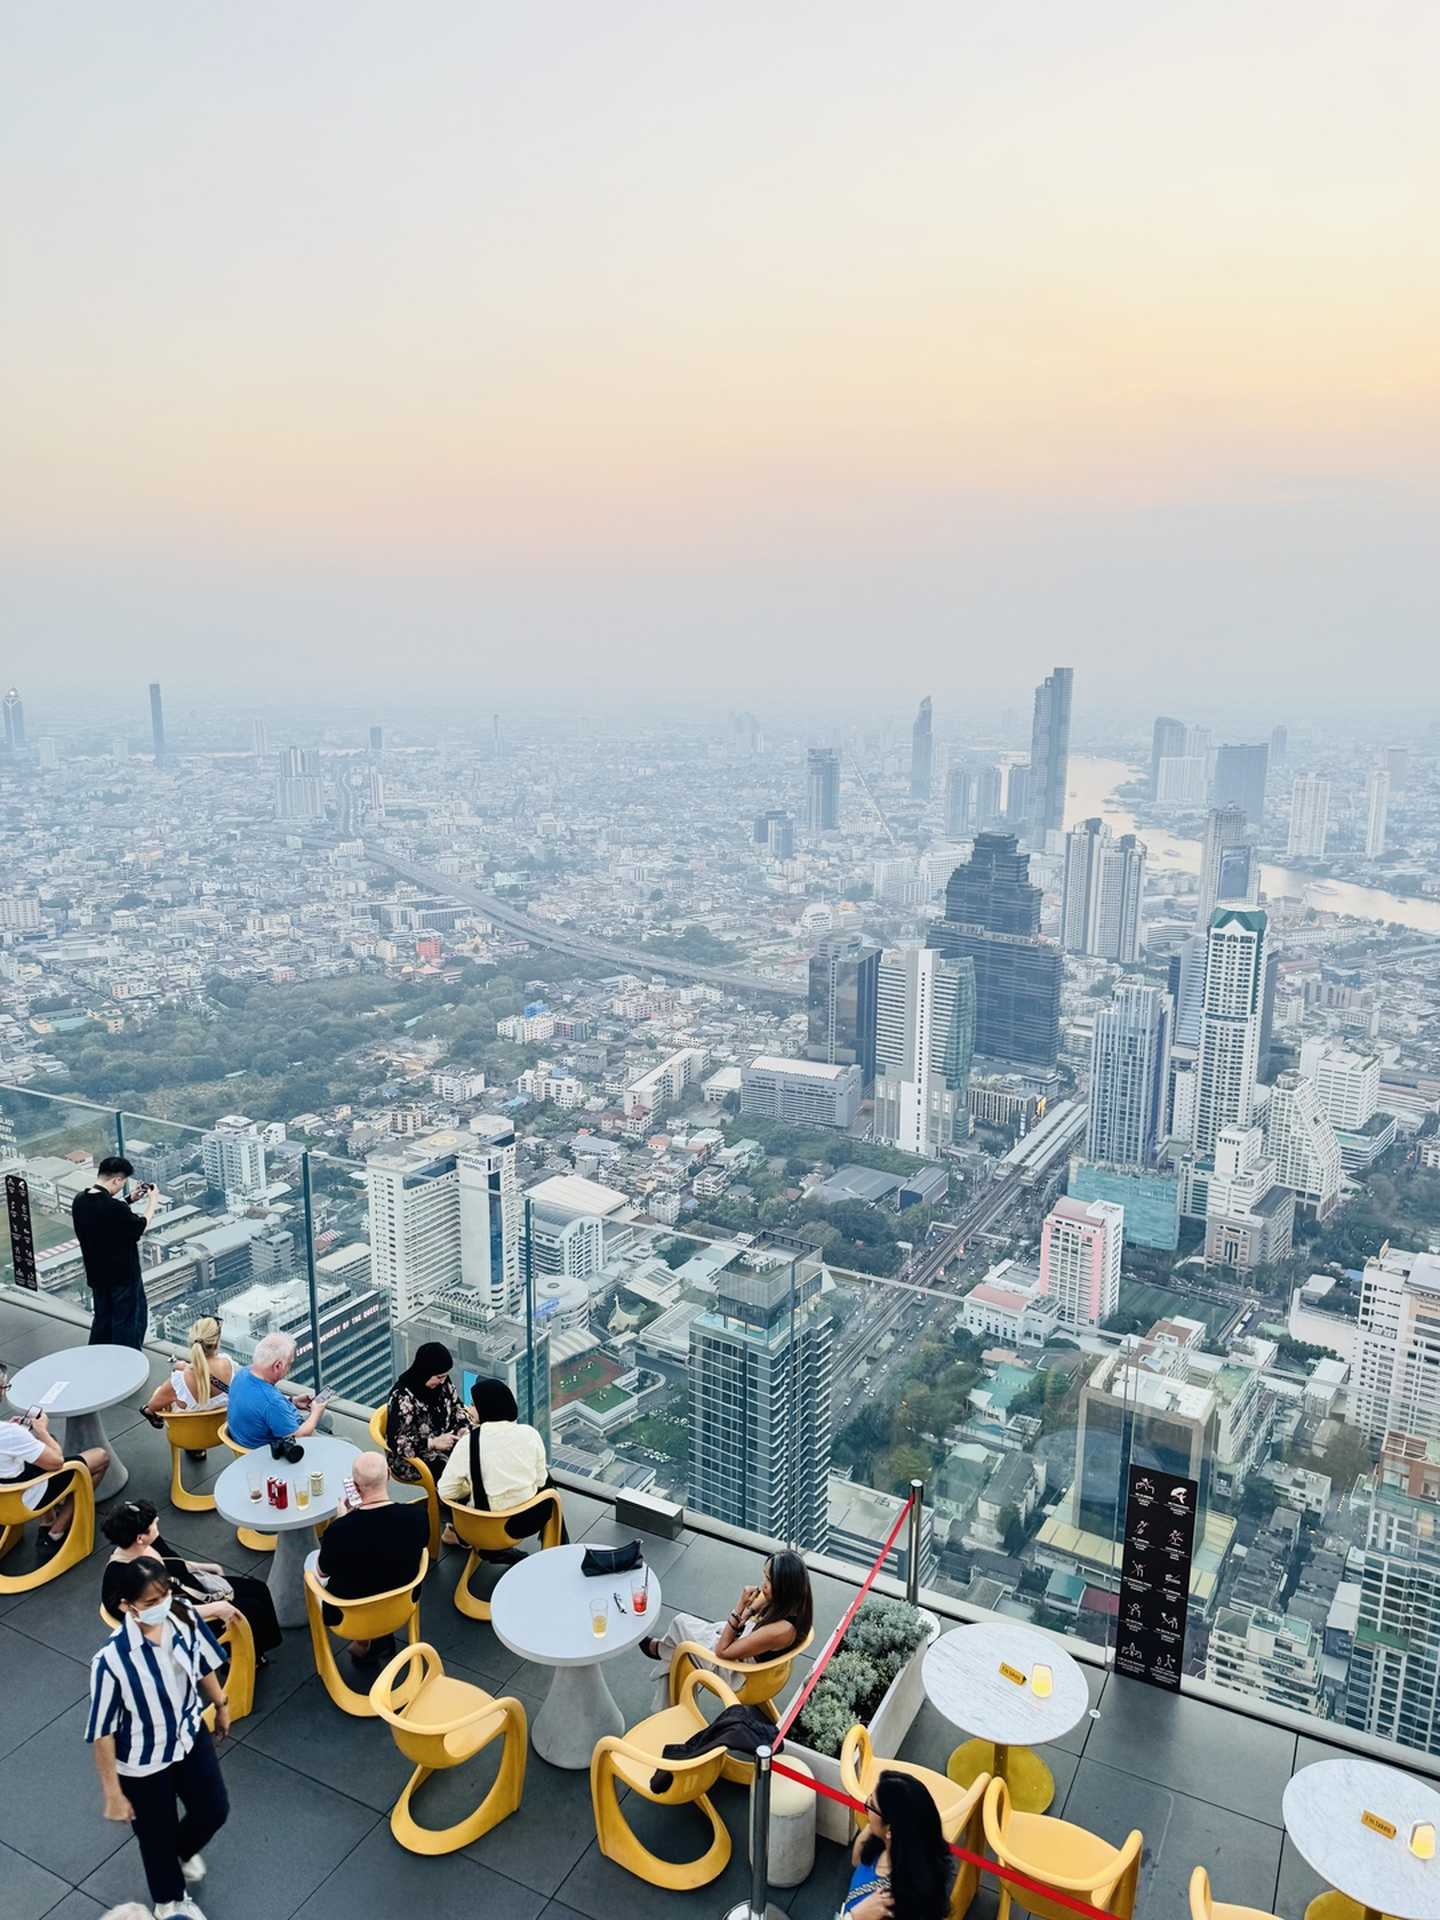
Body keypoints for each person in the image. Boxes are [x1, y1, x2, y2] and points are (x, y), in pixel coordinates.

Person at [88, 1555, 231, 1920]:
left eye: (164, 1595)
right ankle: (169, 1899)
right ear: (127, 1607)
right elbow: (102, 1732)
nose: (161, 1606)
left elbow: (201, 1662)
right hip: (142, 1762)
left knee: (214, 1809)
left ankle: (176, 1856)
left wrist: (221, 1703)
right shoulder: (111, 1661)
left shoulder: (182, 1614)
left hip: (188, 1735)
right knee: (155, 1836)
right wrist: (113, 1794)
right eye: (151, 1603)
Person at [101, 1498, 281, 1661]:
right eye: (155, 1524)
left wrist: (203, 1567)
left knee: (259, 1589)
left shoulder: (144, 1543)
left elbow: (174, 1561)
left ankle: (257, 1648)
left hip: (194, 1588)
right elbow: (161, 1614)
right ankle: (242, 1656)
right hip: (184, 1618)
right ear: (140, 1537)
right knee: (252, 1609)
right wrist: (215, 1607)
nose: (158, 1525)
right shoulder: (128, 1577)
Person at [639, 1547, 812, 1711]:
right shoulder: (795, 1603)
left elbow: (722, 1652)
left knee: (680, 1626)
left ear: (784, 1586)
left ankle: (662, 1652)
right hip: (759, 1663)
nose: (763, 1584)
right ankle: (662, 1649)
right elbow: (761, 1599)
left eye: (768, 1580)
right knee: (684, 1638)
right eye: (764, 1576)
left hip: (739, 1676)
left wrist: (739, 1607)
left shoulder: (779, 1631)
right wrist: (749, 1612)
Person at [314, 1450, 427, 1666]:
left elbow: (321, 1571)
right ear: (389, 1476)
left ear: (355, 1488)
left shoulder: (340, 1531)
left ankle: (367, 1639)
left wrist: (341, 1521)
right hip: (402, 1603)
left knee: (318, 1569)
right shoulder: (417, 1516)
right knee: (382, 1567)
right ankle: (376, 1638)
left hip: (348, 1615)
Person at [436, 1376, 566, 1559]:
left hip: (486, 1528)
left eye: (473, 1404)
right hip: (526, 1520)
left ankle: (466, 1539)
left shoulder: (468, 1444)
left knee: (466, 1492)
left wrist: (470, 1484)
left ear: (485, 1409)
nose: (469, 1409)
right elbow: (540, 1481)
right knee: (549, 1484)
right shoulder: (530, 1434)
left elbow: (445, 1492)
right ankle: (555, 1552)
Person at [0, 1365, 109, 1563]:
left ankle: (48, 1519)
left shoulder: (7, 1432)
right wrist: (40, 1430)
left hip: (4, 1494)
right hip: (23, 1498)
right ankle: (56, 1530)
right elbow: (57, 1462)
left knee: (48, 1440)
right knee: (100, 1457)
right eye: (4, 1387)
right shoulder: (7, 1434)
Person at [384, 1342, 468, 1543]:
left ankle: (465, 1521)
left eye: (445, 1376)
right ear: (424, 1371)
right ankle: (462, 1528)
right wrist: (432, 1443)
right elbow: (399, 1442)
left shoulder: (444, 1385)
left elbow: (458, 1410)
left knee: (475, 1459)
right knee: (457, 1472)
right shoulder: (403, 1397)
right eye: (438, 1377)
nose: (442, 1381)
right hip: (411, 1458)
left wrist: (463, 1428)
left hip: (446, 1444)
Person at [842, 1769, 954, 1919]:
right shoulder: (921, 1852)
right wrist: (875, 1824)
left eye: (872, 1805)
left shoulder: (889, 1905)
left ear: (890, 1828)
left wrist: (853, 1916)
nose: (866, 1803)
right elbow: (857, 1861)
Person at [73, 1156, 159, 1350]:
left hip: (97, 1274)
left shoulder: (80, 1200)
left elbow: (104, 1215)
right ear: (116, 1180)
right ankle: (126, 1363)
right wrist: (152, 1202)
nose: (121, 1188)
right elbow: (139, 1226)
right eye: (122, 1184)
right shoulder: (114, 1208)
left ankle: (98, 1356)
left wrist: (129, 1200)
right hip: (123, 1276)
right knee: (128, 1324)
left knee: (103, 1321)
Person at [224, 1332, 328, 1450]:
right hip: (270, 1453)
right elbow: (300, 1436)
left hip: (248, 1439)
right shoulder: (272, 1402)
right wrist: (316, 1412)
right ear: (278, 1366)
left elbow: (261, 1407)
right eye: (289, 1364)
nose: (289, 1368)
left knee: (327, 1417)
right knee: (345, 1441)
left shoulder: (243, 1374)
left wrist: (292, 1401)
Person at [142, 1317, 234, 1422]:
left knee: (162, 1392)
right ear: (217, 1342)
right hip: (224, 1428)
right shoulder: (228, 1363)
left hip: (187, 1436)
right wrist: (187, 1367)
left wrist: (148, 1409)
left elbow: (153, 1407)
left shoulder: (179, 1382)